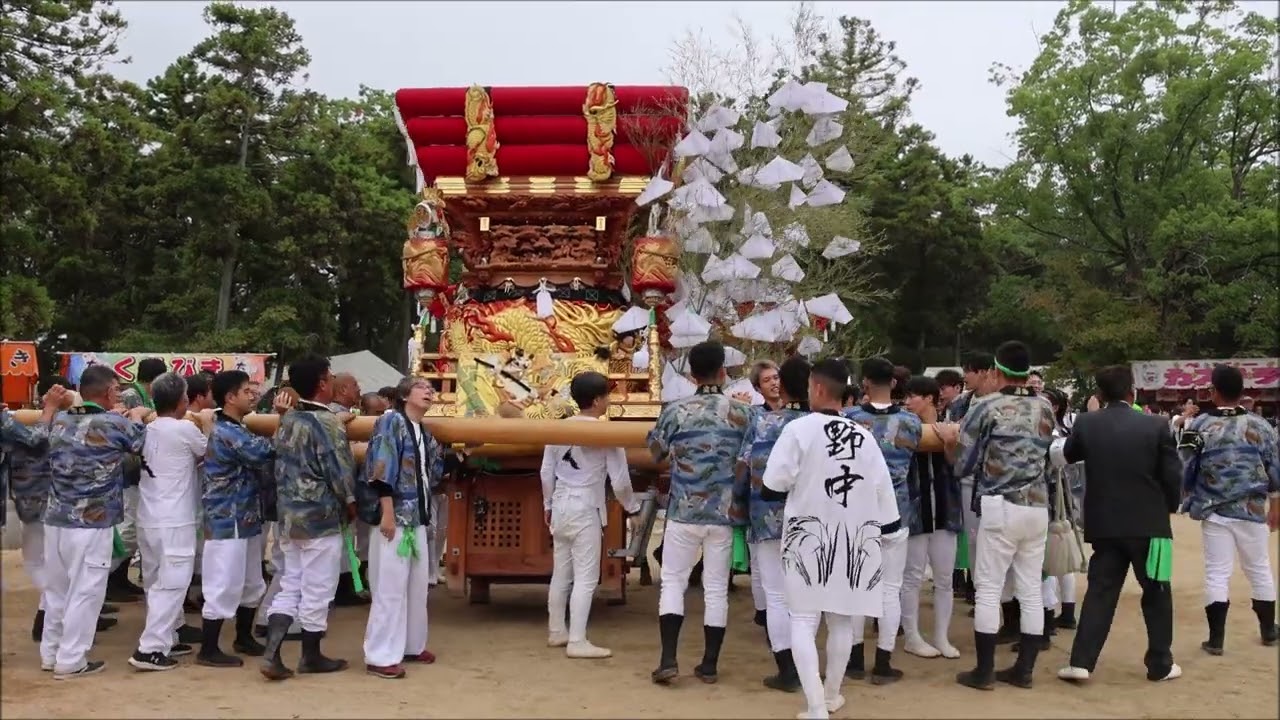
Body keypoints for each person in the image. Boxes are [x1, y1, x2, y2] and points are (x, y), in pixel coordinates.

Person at [760, 357, 902, 720]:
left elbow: (772, 486)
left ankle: (815, 706)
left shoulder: (798, 430)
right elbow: (886, 497)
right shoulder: (864, 436)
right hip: (855, 537)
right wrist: (887, 532)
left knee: (803, 620)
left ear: (819, 388)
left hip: (807, 535)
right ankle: (831, 694)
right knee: (841, 619)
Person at [1049, 365, 1182, 683]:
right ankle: (1160, 663)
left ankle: (1081, 662)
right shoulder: (1156, 425)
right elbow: (1172, 475)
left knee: (1100, 592)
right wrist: (1168, 508)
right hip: (1150, 524)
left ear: (1099, 394)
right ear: (1132, 393)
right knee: (1157, 591)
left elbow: (1064, 456)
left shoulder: (1087, 423)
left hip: (1105, 523)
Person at [939, 340, 1053, 691]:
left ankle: (984, 671)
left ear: (997, 370)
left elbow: (963, 464)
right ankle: (1024, 670)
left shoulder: (987, 406)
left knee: (988, 587)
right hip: (1037, 506)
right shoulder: (1045, 406)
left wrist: (948, 441)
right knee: (1030, 589)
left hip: (1000, 505)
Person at [646, 340, 752, 685]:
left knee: (673, 582)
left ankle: (668, 658)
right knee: (716, 588)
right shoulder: (743, 413)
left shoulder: (676, 410)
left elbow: (656, 453)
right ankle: (709, 664)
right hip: (724, 514)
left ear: (691, 374)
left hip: (684, 511)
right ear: (723, 372)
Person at [41, 365, 149, 678]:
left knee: (57, 590)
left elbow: (38, 439)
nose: (119, 394)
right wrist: (137, 416)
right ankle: (71, 659)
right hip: (91, 522)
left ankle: (51, 653)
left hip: (56, 518)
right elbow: (141, 444)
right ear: (108, 391)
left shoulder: (61, 420)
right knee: (86, 591)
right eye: (117, 389)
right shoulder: (114, 423)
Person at [260, 354, 357, 680]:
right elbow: (340, 471)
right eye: (329, 377)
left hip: (290, 517)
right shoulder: (327, 422)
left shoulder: (288, 420)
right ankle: (310, 656)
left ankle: (273, 653)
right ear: (322, 383)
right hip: (320, 518)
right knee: (318, 588)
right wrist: (351, 502)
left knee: (291, 583)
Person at [539, 371, 641, 659]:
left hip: (560, 502)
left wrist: (547, 504)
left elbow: (546, 472)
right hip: (586, 505)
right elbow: (619, 481)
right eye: (607, 396)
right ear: (597, 401)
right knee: (585, 577)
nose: (609, 401)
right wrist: (632, 507)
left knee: (561, 573)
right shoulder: (606, 433)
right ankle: (577, 640)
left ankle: (557, 630)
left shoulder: (557, 429)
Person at [1181, 364, 1280, 656]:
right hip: (1252, 509)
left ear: (1214, 392)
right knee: (1259, 568)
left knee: (1217, 572)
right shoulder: (1261, 426)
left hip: (1214, 510)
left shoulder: (1198, 425)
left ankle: (1216, 640)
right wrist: (1275, 504)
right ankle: (1269, 630)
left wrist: (1189, 493)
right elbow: (1274, 468)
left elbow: (1185, 464)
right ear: (1242, 391)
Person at [841, 357, 921, 684]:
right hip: (896, 513)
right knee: (890, 589)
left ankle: (855, 659)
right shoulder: (911, 422)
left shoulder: (849, 419)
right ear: (895, 382)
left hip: (856, 512)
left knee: (856, 586)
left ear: (864, 383)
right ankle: (884, 662)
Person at [359, 376, 445, 679]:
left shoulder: (424, 432)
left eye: (431, 388)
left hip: (417, 517)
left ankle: (411, 644)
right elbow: (381, 468)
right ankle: (380, 654)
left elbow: (434, 472)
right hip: (394, 516)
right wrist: (387, 513)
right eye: (422, 387)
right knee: (390, 588)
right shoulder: (390, 422)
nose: (429, 391)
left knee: (417, 587)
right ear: (405, 395)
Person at [199, 370, 285, 668]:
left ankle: (243, 637)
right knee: (222, 582)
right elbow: (265, 452)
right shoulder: (228, 432)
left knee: (251, 581)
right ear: (230, 397)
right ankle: (208, 648)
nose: (253, 395)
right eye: (246, 391)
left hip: (244, 517)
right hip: (228, 519)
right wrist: (283, 419)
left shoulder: (238, 427)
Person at [738, 356, 811, 692]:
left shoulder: (762, 422)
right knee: (807, 595)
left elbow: (744, 466)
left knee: (776, 595)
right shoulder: (818, 423)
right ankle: (809, 666)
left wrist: (739, 504)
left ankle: (787, 669)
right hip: (810, 518)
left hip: (766, 516)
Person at [128, 373, 209, 671]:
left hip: (148, 518)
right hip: (174, 519)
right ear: (183, 400)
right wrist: (208, 424)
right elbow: (209, 452)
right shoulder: (184, 428)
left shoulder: (146, 429)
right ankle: (150, 649)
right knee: (172, 585)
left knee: (155, 583)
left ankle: (169, 636)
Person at [900, 375, 962, 659]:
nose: (907, 401)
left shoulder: (950, 425)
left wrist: (949, 444)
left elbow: (959, 466)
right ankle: (912, 636)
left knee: (944, 578)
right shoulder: (902, 427)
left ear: (928, 399)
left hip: (945, 511)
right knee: (911, 577)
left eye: (912, 396)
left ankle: (941, 637)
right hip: (916, 513)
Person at [2, 384, 68, 643]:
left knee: (42, 560)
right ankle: (57, 612)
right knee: (39, 562)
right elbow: (36, 438)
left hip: (33, 495)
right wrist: (49, 408)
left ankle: (51, 615)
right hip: (35, 496)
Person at [112, 357, 167, 602]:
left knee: (132, 529)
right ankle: (110, 579)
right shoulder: (131, 397)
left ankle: (119, 579)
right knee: (127, 529)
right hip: (128, 469)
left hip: (137, 470)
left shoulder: (143, 396)